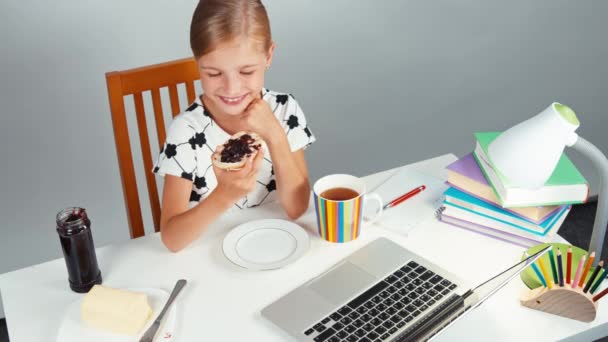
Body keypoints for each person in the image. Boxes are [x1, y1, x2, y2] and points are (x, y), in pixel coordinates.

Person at [153, 0, 316, 252]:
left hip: (277, 245)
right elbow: (172, 239)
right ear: (197, 64)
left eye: (246, 72)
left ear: (268, 56)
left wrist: (274, 134)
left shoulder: (285, 110)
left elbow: (297, 208)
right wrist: (224, 195)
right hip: (211, 257)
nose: (231, 89)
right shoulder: (185, 131)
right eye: (214, 74)